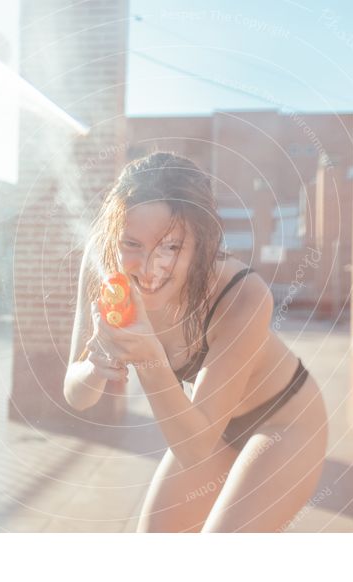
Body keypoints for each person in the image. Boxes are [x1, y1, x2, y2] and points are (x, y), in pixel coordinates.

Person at [64, 151, 328, 532]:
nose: (150, 267)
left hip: (284, 421)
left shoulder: (243, 295)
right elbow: (76, 393)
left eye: (171, 247)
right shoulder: (104, 263)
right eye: (133, 244)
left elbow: (194, 450)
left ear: (199, 244)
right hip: (206, 427)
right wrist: (96, 366)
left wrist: (149, 357)